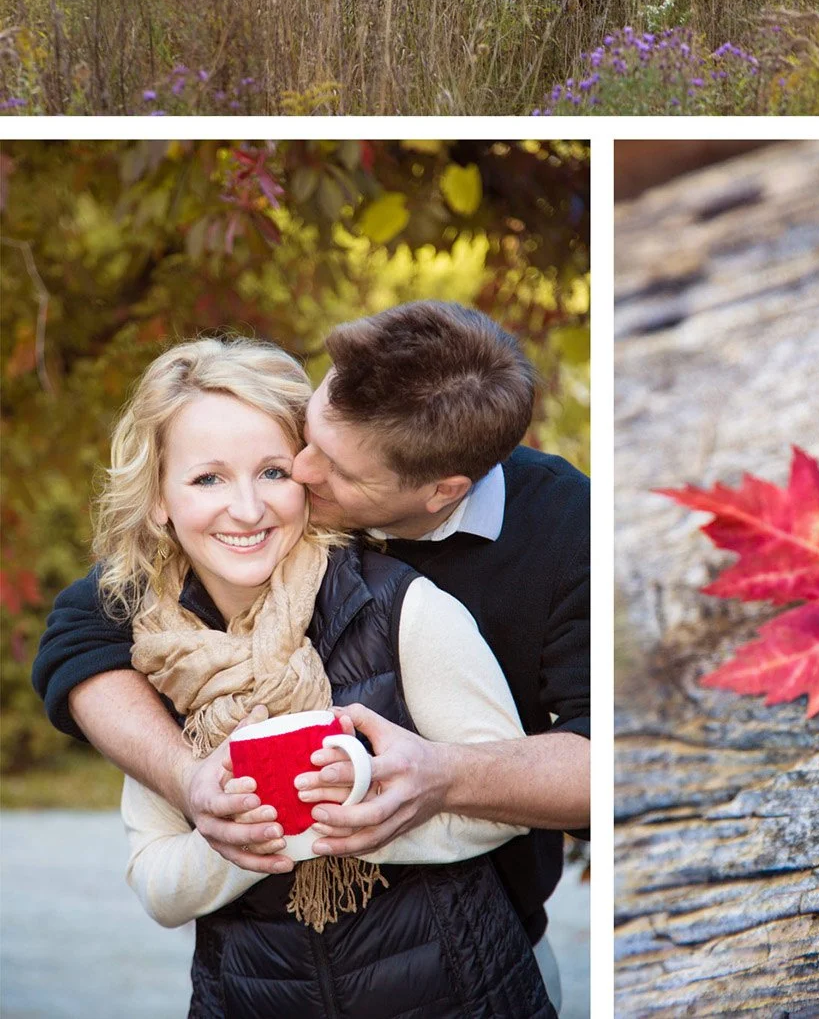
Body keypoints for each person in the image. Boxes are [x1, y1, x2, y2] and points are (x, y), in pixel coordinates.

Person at [33, 301, 589, 1007]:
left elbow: (606, 765)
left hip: (467, 966)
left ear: (437, 492)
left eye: (300, 468)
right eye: (308, 437)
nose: (298, 471)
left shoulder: (544, 543)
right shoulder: (176, 640)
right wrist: (202, 789)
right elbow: (81, 631)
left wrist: (404, 793)